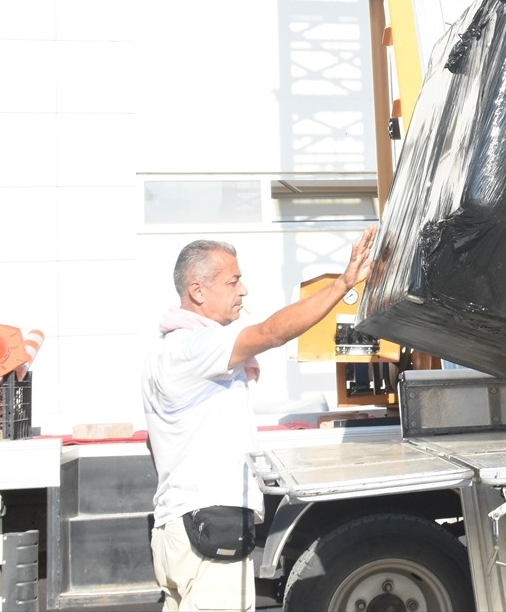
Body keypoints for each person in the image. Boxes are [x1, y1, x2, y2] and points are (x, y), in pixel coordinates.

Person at [143, 225, 377, 611]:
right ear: (197, 291)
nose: (244, 291)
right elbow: (270, 333)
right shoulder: (196, 345)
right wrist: (343, 284)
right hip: (208, 523)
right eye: (233, 281)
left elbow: (153, 442)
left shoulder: (162, 352)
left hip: (174, 528)